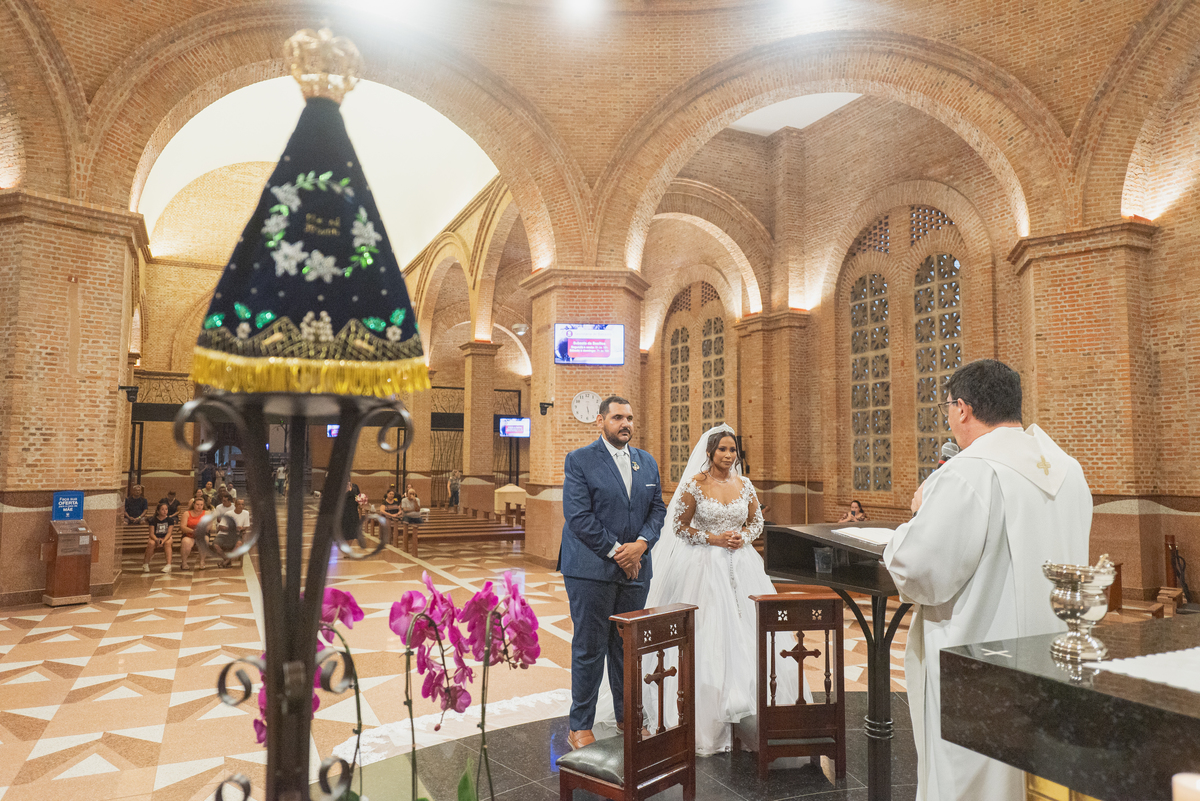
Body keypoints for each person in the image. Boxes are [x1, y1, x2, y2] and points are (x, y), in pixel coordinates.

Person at [883, 359, 1091, 801]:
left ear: (963, 408)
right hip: (1054, 660)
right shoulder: (1068, 471)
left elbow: (918, 571)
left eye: (947, 409)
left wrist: (915, 517)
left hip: (979, 666)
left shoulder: (969, 472)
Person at [595, 424, 810, 753]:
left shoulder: (745, 484)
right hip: (703, 567)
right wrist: (713, 538)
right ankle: (703, 715)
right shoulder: (695, 484)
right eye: (722, 449)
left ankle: (755, 710)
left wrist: (744, 536)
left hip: (743, 565)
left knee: (750, 631)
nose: (728, 455)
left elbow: (756, 521)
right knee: (708, 633)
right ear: (710, 453)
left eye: (732, 450)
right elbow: (679, 527)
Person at [560, 395, 667, 750]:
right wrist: (620, 552)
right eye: (618, 417)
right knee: (590, 648)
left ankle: (629, 718)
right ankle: (580, 725)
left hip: (636, 570)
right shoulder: (580, 460)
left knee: (627, 649)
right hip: (591, 570)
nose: (626, 424)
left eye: (630, 418)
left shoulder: (646, 461)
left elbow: (658, 510)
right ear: (601, 421)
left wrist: (641, 545)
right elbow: (578, 516)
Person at [143, 501, 174, 573]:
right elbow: (151, 533)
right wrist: (157, 540)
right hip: (155, 537)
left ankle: (168, 565)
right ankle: (146, 564)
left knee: (168, 543)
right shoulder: (153, 520)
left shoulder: (170, 520)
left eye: (166, 509)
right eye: (162, 509)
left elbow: (169, 533)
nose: (165, 511)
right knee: (151, 543)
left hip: (166, 537)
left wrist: (163, 540)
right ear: (158, 511)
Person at [179, 497, 209, 571]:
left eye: (201, 505)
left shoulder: (207, 513)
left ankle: (202, 562)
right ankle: (184, 563)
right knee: (185, 542)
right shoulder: (186, 513)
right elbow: (183, 527)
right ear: (194, 505)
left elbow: (209, 526)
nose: (199, 506)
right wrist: (192, 531)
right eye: (197, 504)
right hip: (189, 534)